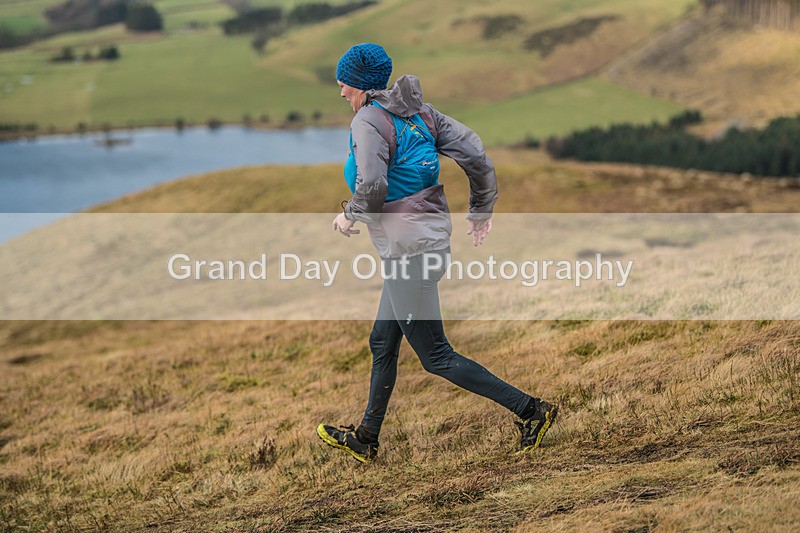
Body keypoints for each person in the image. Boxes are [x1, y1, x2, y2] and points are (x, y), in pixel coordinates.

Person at [316, 43, 558, 463]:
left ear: (361, 85)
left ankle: (532, 411)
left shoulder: (367, 120)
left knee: (436, 356)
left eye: (343, 85)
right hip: (424, 243)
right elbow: (476, 156)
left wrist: (348, 215)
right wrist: (480, 209)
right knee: (382, 341)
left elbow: (372, 187)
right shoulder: (422, 113)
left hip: (409, 252)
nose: (341, 93)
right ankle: (367, 438)